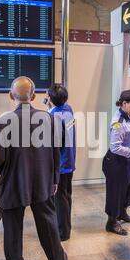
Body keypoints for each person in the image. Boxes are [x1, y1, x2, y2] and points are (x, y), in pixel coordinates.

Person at [0, 76, 67, 260]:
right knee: (48, 222)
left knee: (13, 228)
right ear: (33, 96)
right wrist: (54, 177)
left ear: (10, 95)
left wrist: (6, 171)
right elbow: (56, 152)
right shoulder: (49, 119)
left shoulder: (3, 121)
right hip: (43, 181)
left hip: (14, 183)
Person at [102, 89, 130, 236]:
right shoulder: (118, 122)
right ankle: (112, 222)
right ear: (124, 103)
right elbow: (115, 147)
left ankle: (122, 211)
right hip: (116, 161)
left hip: (128, 160)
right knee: (116, 192)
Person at [44, 84, 76, 241]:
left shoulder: (53, 117)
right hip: (69, 160)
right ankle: (66, 227)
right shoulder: (68, 109)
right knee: (66, 196)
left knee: (60, 199)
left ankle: (63, 232)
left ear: (50, 98)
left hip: (60, 164)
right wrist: (49, 105)